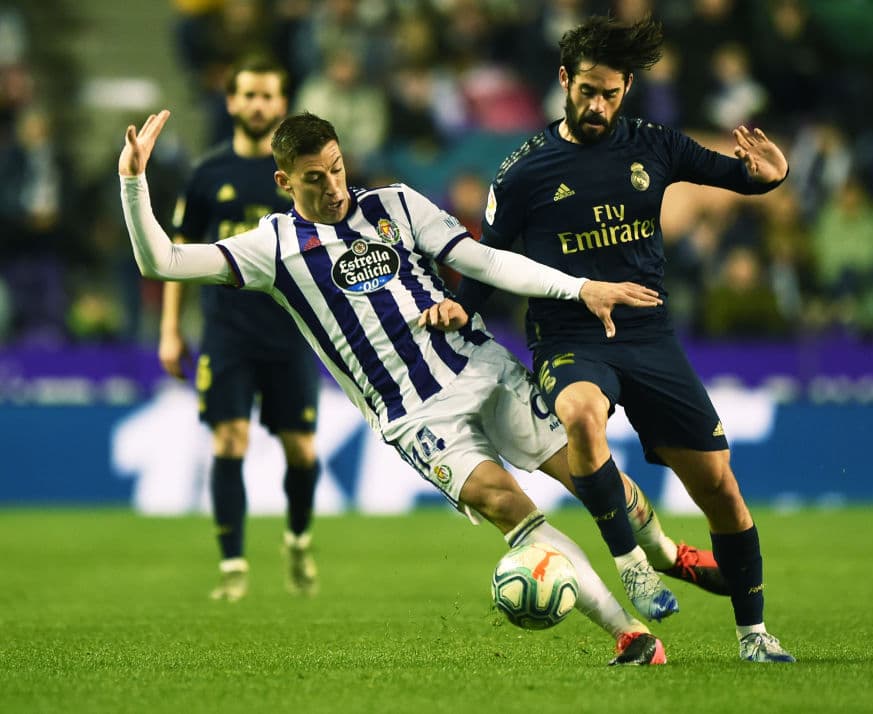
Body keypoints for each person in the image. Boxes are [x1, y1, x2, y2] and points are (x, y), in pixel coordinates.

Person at [119, 109, 719, 665]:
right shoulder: (271, 248)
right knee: (509, 507)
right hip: (414, 417)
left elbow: (484, 262)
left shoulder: (396, 206)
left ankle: (663, 552)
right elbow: (162, 262)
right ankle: (630, 635)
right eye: (313, 180)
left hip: (480, 369)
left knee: (589, 476)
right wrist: (134, 183)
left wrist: (578, 287)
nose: (333, 188)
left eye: (336, 169)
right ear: (284, 181)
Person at [457, 15, 796, 663]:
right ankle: (632, 561)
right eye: (587, 90)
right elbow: (486, 263)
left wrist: (769, 176)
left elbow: (734, 176)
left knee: (720, 487)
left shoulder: (655, 145)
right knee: (580, 413)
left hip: (648, 336)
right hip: (569, 336)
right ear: (564, 80)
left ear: (628, 87)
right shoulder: (525, 171)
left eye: (611, 94)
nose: (597, 105)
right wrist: (456, 314)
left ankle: (754, 634)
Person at [158, 55, 322, 602]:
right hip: (227, 332)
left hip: (290, 331)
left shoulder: (300, 173)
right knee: (230, 440)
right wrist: (170, 330)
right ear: (231, 102)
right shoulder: (207, 175)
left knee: (301, 450)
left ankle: (297, 539)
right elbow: (179, 256)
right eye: (248, 95)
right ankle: (233, 565)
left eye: (267, 96)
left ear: (282, 104)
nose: (257, 105)